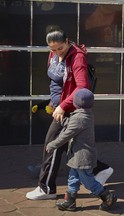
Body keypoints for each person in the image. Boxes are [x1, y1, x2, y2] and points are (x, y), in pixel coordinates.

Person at [26, 29, 113, 200]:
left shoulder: (77, 57)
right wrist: (53, 101)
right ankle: (100, 169)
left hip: (71, 109)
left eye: (60, 48)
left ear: (67, 41)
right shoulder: (52, 55)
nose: (57, 52)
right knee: (72, 147)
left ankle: (46, 188)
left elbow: (82, 86)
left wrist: (63, 106)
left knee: (53, 143)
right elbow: (56, 82)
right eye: (53, 49)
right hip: (60, 107)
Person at [46, 88, 117, 211]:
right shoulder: (85, 114)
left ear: (75, 103)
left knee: (88, 182)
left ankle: (107, 196)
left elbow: (66, 135)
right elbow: (73, 124)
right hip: (77, 157)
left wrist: (52, 145)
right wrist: (61, 119)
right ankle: (70, 202)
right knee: (73, 178)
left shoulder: (80, 118)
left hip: (82, 158)